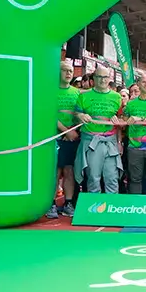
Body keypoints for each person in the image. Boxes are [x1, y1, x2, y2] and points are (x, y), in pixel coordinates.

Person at [75, 66, 125, 194]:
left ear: (110, 79)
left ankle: (112, 208)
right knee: (93, 178)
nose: (103, 80)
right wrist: (80, 116)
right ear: (93, 79)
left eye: (105, 77)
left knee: (112, 178)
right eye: (99, 77)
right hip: (91, 141)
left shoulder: (117, 97)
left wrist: (119, 142)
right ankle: (94, 211)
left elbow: (121, 121)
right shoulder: (83, 96)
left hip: (111, 142)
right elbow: (76, 114)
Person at [47, 60, 80, 218]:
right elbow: (48, 114)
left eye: (71, 71)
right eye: (65, 70)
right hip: (54, 138)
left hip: (71, 139)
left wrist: (74, 131)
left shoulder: (76, 93)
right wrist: (66, 131)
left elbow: (79, 114)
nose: (68, 74)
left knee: (69, 170)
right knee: (55, 171)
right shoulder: (50, 91)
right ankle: (51, 204)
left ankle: (68, 203)